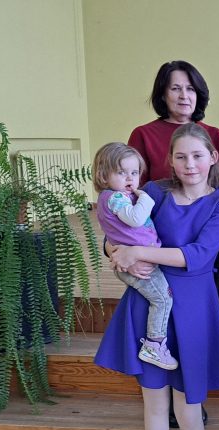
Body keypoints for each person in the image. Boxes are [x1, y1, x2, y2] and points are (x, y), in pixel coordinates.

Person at [95, 123, 219, 430]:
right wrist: (115, 251)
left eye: (197, 155)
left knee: (190, 405)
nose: (189, 164)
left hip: (193, 306)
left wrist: (137, 250)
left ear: (213, 157)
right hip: (148, 302)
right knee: (155, 402)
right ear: (170, 160)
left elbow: (200, 253)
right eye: (181, 156)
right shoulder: (152, 192)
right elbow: (114, 229)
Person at [128, 60, 219, 427]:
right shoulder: (144, 135)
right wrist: (120, 247)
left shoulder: (215, 134)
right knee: (160, 314)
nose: (183, 95)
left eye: (190, 88)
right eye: (175, 88)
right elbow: (130, 195)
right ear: (163, 93)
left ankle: (192, 388)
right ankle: (159, 386)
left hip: (202, 235)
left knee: (199, 314)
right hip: (159, 233)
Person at [93, 142, 177, 370]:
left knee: (161, 297)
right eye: (121, 173)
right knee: (162, 299)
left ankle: (154, 344)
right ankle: (154, 345)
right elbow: (136, 219)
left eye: (134, 172)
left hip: (135, 259)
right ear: (103, 175)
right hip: (137, 263)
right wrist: (145, 200)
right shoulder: (115, 198)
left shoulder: (115, 197)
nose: (130, 178)